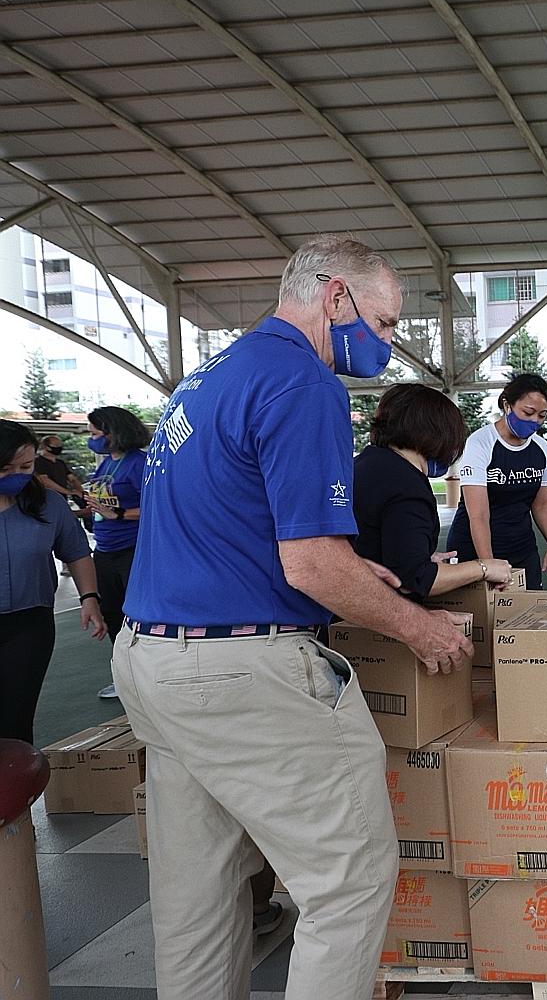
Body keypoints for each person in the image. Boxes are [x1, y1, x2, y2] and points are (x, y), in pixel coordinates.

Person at [115, 234, 473, 1000]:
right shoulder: (303, 381)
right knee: (349, 878)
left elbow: (235, 527)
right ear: (336, 295)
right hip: (239, 673)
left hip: (152, 659)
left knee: (197, 896)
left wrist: (350, 571)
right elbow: (308, 563)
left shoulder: (207, 377)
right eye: (382, 324)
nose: (386, 343)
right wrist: (417, 625)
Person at [352, 383, 514, 598]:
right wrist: (483, 567)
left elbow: (382, 550)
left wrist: (421, 556)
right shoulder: (407, 487)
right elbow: (414, 579)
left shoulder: (365, 464)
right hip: (367, 608)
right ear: (437, 435)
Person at [0, 420, 107, 743]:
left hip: (28, 625)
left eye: (26, 466)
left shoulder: (47, 503)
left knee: (16, 719)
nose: (17, 475)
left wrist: (90, 597)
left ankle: (16, 789)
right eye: (6, 468)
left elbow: (75, 552)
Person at [446, 373, 547, 589]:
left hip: (521, 548)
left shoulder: (542, 449)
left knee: (526, 614)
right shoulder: (481, 443)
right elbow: (478, 515)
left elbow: (541, 505)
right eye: (528, 412)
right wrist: (488, 566)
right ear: (507, 405)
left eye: (542, 415)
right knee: (484, 619)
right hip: (476, 551)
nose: (535, 421)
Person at [81, 405, 151, 701]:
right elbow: (102, 506)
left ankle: (146, 679)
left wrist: (120, 514)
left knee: (136, 614)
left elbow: (155, 505)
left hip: (132, 547)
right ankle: (124, 677)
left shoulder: (140, 464)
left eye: (95, 432)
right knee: (111, 613)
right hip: (104, 549)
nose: (91, 437)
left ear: (113, 432)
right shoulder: (104, 464)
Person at [32, 434, 82, 499]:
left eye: (60, 445)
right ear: (46, 447)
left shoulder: (60, 463)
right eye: (56, 445)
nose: (59, 447)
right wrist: (68, 492)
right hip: (46, 499)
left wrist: (81, 491)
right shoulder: (37, 462)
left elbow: (72, 478)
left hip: (62, 498)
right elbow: (44, 481)